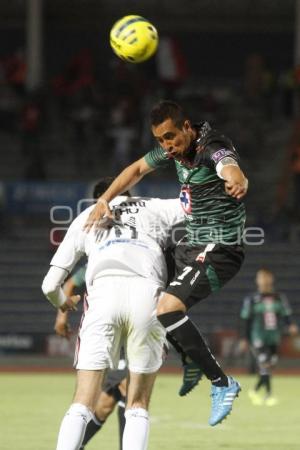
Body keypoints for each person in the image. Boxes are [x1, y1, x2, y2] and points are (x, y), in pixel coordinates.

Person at [84, 100, 248, 426]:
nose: (166, 145)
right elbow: (135, 170)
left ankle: (222, 383)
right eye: (160, 140)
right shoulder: (172, 151)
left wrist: (238, 178)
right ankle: (189, 358)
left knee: (168, 309)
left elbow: (228, 166)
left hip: (220, 246)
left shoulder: (210, 146)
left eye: (171, 136)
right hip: (192, 243)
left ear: (187, 127)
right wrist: (105, 200)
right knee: (148, 296)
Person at [42, 186, 184, 450]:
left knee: (82, 402)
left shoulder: (86, 216)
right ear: (130, 193)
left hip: (103, 297)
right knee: (137, 406)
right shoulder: (153, 205)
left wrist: (64, 304)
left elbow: (49, 286)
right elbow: (196, 203)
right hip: (147, 295)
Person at [55, 264, 127, 450]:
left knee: (108, 401)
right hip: (109, 331)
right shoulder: (101, 258)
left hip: (133, 331)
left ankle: (77, 445)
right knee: (116, 395)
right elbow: (70, 284)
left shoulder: (140, 251)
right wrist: (62, 317)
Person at [239, 268, 298, 406]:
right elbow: (244, 320)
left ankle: (254, 390)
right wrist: (244, 338)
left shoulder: (279, 298)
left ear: (271, 279)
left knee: (269, 367)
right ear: (257, 280)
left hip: (274, 337)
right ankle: (269, 395)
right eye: (261, 277)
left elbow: (286, 315)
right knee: (265, 364)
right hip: (258, 337)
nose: (264, 280)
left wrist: (291, 325)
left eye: (266, 277)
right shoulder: (252, 299)